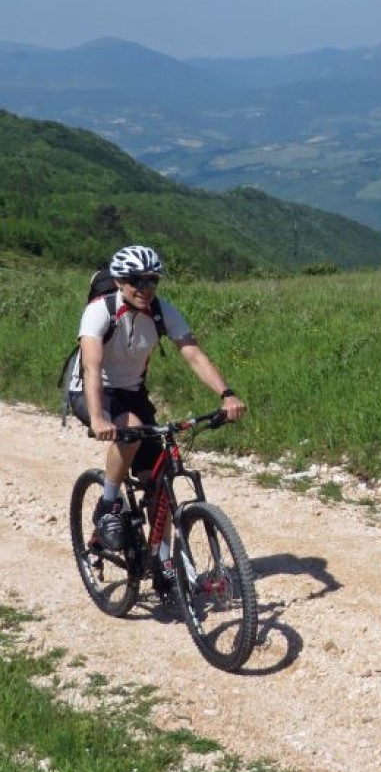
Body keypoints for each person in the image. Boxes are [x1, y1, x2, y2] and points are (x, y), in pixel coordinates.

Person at [68, 244, 246, 583]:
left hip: (133, 392)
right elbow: (92, 367)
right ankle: (108, 503)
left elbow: (193, 353)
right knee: (132, 428)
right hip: (92, 391)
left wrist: (227, 394)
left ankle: (162, 562)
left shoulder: (162, 311)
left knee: (157, 481)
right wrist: (99, 419)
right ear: (119, 281)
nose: (144, 288)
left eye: (151, 281)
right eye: (135, 281)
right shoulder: (99, 310)